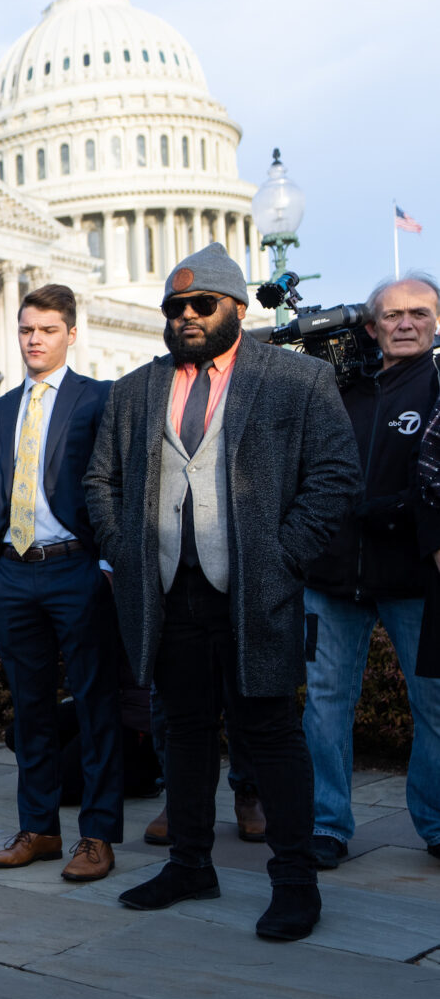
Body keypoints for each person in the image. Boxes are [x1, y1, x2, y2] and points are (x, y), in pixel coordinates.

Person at [85, 243, 359, 941]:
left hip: (255, 593)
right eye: (175, 307)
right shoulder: (135, 389)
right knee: (183, 733)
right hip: (168, 593)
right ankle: (189, 864)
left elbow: (335, 477)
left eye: (202, 304)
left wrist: (283, 557)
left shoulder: (295, 380)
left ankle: (295, 880)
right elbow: (100, 482)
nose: (187, 317)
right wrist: (124, 547)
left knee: (270, 736)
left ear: (237, 306)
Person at [0, 283, 122, 884]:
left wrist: (107, 564)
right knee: (30, 708)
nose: (35, 340)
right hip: (14, 573)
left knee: (94, 704)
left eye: (48, 330)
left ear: (71, 334)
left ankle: (97, 835)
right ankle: (39, 828)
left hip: (77, 568)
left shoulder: (98, 400)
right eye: (27, 329)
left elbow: (116, 482)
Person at [302, 275, 440, 869]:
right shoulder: (338, 388)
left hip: (414, 578)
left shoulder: (439, 389)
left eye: (419, 313)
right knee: (325, 704)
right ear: (371, 325)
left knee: (434, 705)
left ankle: (435, 824)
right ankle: (326, 825)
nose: (405, 323)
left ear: (436, 323)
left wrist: (393, 510)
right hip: (332, 576)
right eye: (393, 315)